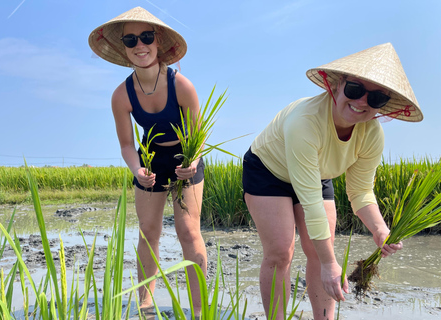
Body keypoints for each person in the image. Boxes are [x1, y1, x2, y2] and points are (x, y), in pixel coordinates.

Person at [242, 43, 423, 320]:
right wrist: (330, 263)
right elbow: (312, 201)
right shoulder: (305, 121)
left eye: (375, 99)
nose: (362, 102)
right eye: (355, 90)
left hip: (317, 174)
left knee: (319, 250)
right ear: (336, 86)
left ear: (383, 106)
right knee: (281, 251)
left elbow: (361, 191)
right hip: (269, 171)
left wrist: (379, 229)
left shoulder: (372, 135)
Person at [88, 7, 207, 315]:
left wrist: (192, 162)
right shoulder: (121, 96)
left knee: (189, 232)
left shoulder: (182, 86)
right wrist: (137, 169)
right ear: (124, 49)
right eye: (130, 39)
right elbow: (127, 144)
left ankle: (198, 308)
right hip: (150, 161)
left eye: (146, 37)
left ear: (158, 42)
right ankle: (145, 302)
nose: (139, 45)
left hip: (185, 158)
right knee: (148, 230)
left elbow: (198, 134)